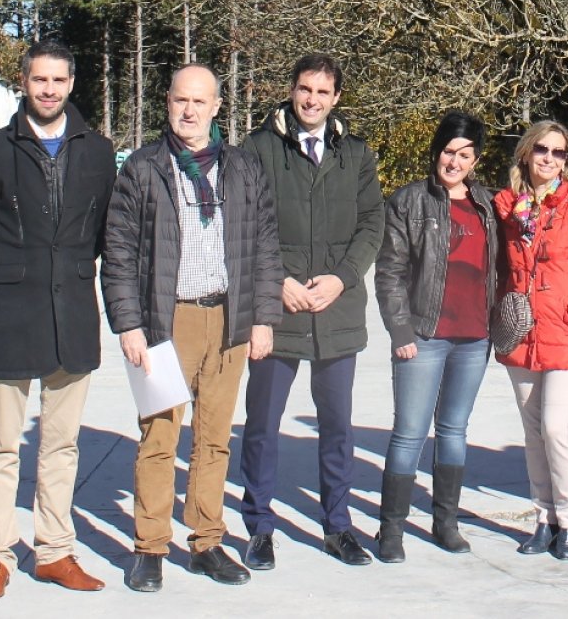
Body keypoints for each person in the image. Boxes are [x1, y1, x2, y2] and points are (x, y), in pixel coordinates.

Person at [102, 64, 283, 593]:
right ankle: (150, 546)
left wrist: (263, 318)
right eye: (181, 100)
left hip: (228, 319)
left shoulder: (244, 169)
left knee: (214, 439)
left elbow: (265, 246)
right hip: (166, 320)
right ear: (167, 101)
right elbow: (118, 252)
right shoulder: (143, 168)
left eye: (200, 102)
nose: (189, 110)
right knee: (159, 436)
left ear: (216, 108)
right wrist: (129, 325)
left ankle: (206, 540)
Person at [0, 40, 115, 601]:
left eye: (59, 81)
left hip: (72, 314)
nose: (49, 89)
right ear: (24, 82)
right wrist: (6, 281)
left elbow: (101, 236)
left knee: (60, 444)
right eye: (39, 80)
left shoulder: (97, 151)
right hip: (10, 315)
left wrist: (66, 275)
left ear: (72, 84)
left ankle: (53, 552)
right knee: (1, 445)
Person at [238, 53, 384, 569]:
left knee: (338, 427)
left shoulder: (356, 153)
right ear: (292, 89)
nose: (312, 100)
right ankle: (258, 526)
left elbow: (372, 224)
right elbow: (243, 223)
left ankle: (338, 526)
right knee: (263, 424)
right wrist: (276, 281)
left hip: (336, 310)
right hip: (276, 311)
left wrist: (342, 278)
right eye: (305, 89)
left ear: (336, 97)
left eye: (323, 92)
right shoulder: (257, 150)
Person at [373, 110, 497, 563]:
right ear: (436, 151)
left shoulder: (488, 204)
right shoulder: (408, 202)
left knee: (454, 431)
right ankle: (391, 529)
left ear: (475, 160)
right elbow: (389, 272)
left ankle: (445, 522)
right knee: (409, 433)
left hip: (474, 337)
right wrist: (400, 329)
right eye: (449, 151)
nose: (455, 161)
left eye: (465, 155)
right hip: (424, 334)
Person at [494, 120, 568, 561]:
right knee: (531, 432)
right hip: (523, 332)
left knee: (555, 427)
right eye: (541, 150)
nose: (549, 158)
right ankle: (542, 516)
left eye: (559, 153)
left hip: (567, 332)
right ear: (526, 153)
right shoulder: (508, 207)